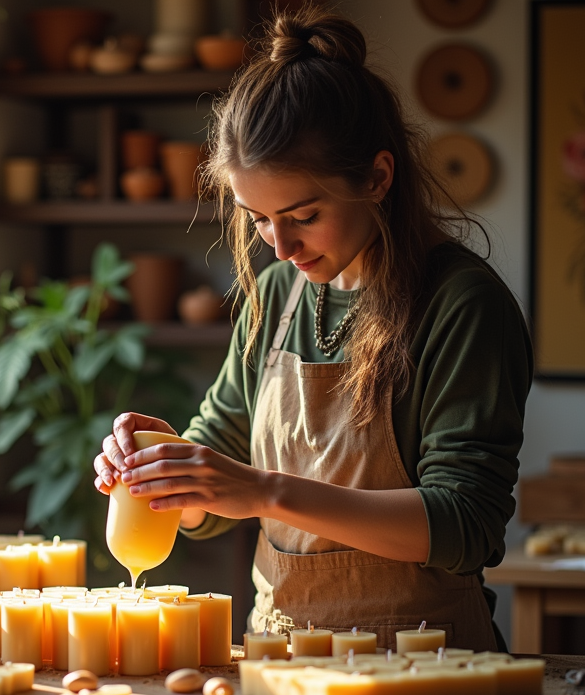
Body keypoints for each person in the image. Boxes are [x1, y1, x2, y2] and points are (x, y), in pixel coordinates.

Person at [93, 6, 532, 653]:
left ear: (378, 177)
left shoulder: (461, 305)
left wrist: (262, 489)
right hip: (281, 656)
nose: (281, 244)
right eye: (259, 218)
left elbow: (467, 523)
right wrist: (171, 474)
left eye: (303, 214)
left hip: (424, 668)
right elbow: (215, 488)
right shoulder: (277, 295)